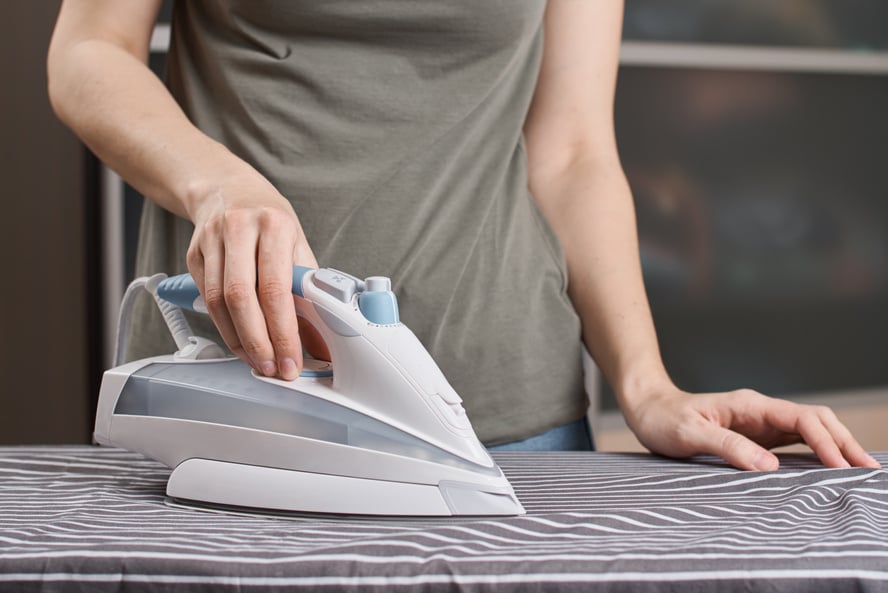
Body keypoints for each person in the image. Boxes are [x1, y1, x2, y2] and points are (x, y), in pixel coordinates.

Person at [47, 0, 879, 470]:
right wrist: (219, 183)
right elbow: (88, 48)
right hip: (247, 397)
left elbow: (572, 153)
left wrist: (648, 385)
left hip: (512, 414)